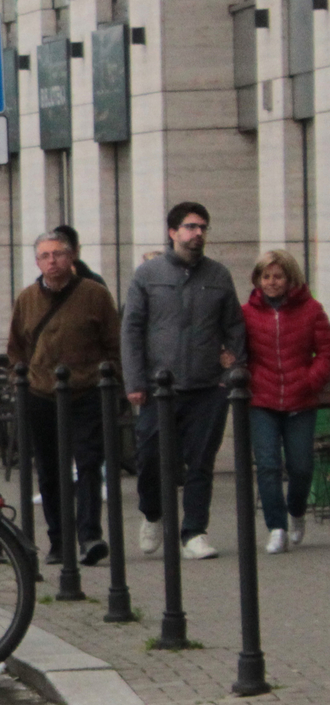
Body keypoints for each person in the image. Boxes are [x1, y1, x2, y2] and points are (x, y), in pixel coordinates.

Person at [122, 201, 246, 559]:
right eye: (191, 227)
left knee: (201, 461)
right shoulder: (148, 275)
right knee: (149, 458)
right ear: (173, 232)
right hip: (160, 388)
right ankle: (153, 513)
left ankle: (194, 531)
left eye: (203, 228)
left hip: (207, 387)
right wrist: (134, 380)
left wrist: (230, 371)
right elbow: (131, 329)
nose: (198, 234)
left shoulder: (218, 276)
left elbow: (234, 326)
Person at [6, 229, 122, 565]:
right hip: (41, 393)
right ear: (37, 261)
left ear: (71, 257)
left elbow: (114, 343)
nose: (52, 261)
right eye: (45, 256)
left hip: (86, 391)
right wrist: (21, 378)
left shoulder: (95, 295)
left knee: (87, 463)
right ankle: (58, 540)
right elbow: (16, 347)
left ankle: (89, 536)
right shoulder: (27, 298)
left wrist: (110, 379)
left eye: (58, 254)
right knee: (49, 468)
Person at [241, 249, 330, 551]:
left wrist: (311, 380)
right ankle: (276, 527)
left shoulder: (312, 310)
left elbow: (326, 352)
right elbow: (240, 351)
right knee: (267, 464)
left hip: (301, 401)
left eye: (277, 276)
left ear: (290, 278)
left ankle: (296, 512)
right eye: (265, 277)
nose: (271, 282)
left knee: (301, 467)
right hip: (262, 399)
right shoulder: (247, 313)